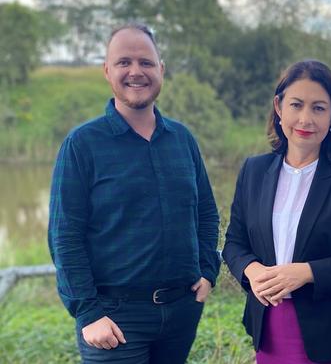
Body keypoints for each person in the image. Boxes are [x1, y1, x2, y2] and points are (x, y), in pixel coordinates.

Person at [48, 23, 220, 363]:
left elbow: (205, 213)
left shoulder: (182, 139)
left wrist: (207, 270)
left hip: (181, 311)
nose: (136, 71)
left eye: (146, 62)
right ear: (107, 71)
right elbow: (64, 236)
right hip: (114, 318)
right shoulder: (82, 145)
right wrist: (88, 312)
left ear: (161, 70)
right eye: (124, 62)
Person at [222, 59, 331, 364]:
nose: (305, 118)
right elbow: (234, 242)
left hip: (330, 334)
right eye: (296, 105)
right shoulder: (254, 170)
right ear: (278, 107)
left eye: (319, 108)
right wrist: (252, 269)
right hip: (269, 328)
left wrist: (308, 272)